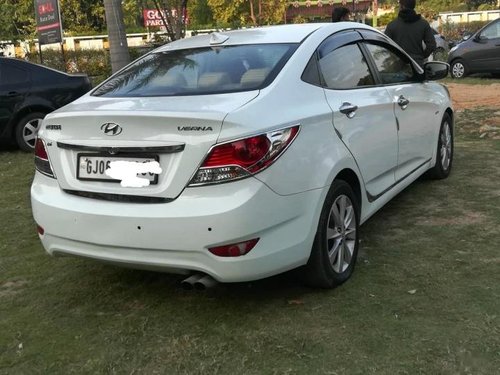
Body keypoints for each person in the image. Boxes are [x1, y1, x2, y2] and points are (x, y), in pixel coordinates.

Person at [385, 0, 436, 67]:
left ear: (401, 6)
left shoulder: (392, 25)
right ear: (413, 6)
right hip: (417, 66)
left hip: (397, 68)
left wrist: (394, 59)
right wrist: (421, 56)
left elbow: (385, 47)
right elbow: (432, 45)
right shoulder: (423, 24)